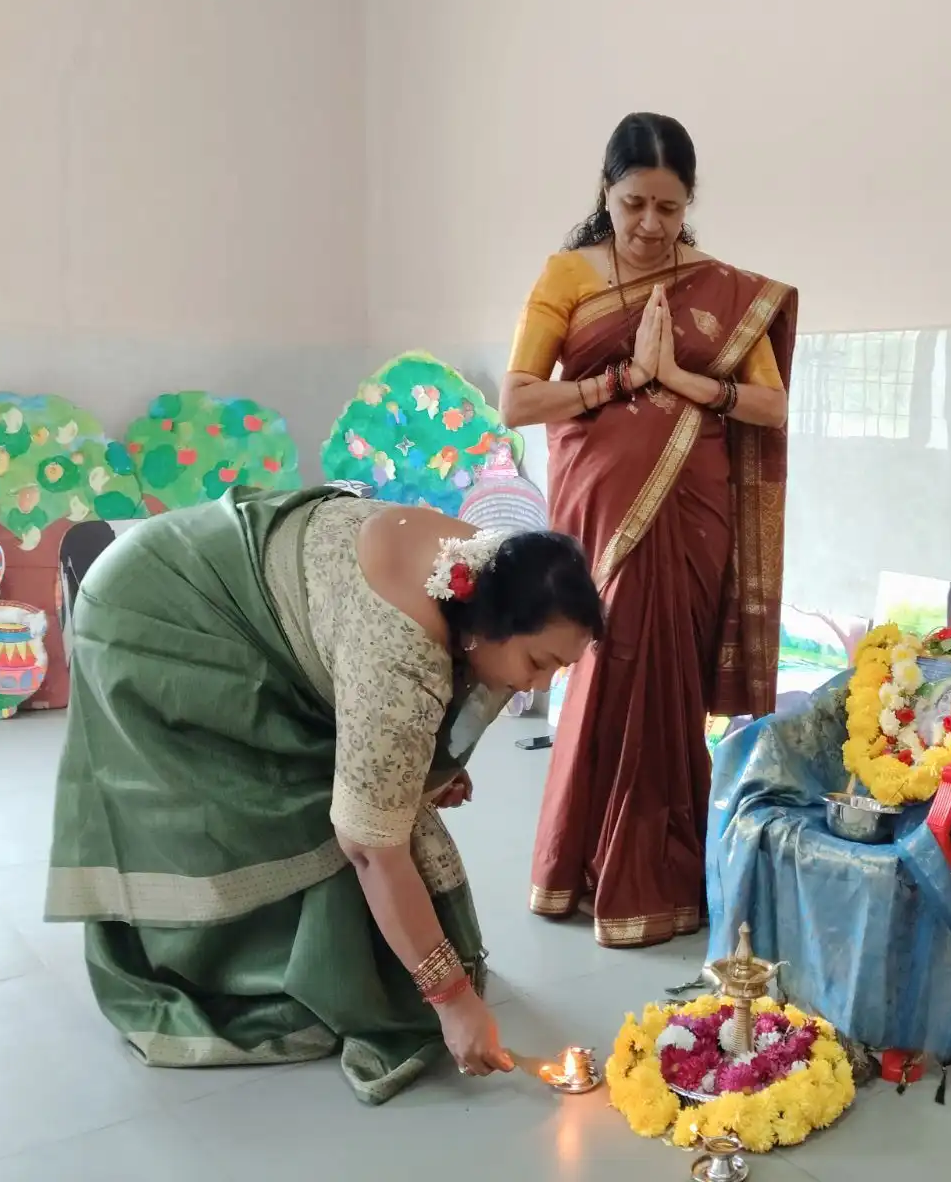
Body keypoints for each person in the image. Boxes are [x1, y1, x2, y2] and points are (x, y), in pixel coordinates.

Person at [45, 486, 604, 1103]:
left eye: (561, 669)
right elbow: (369, 847)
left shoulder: (494, 571)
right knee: (264, 801)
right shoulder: (400, 655)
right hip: (159, 616)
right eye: (539, 662)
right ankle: (219, 975)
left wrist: (420, 766)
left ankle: (323, 960)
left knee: (364, 793)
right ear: (492, 628)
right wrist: (451, 999)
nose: (543, 683)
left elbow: (422, 721)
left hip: (229, 572)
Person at [500, 112, 797, 948]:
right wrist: (621, 382)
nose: (651, 227)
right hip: (601, 504)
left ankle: (663, 878)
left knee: (669, 680)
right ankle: (578, 867)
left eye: (669, 208)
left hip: (695, 509)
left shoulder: (723, 289)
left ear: (688, 202)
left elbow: (771, 405)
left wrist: (680, 380)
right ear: (606, 191)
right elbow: (518, 398)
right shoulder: (568, 275)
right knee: (606, 662)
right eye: (635, 204)